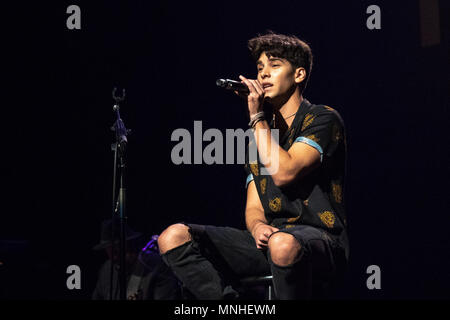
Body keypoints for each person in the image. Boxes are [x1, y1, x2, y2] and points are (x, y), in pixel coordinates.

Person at [158, 31, 349, 300]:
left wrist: (258, 117)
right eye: (260, 68)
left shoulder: (323, 118)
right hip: (272, 240)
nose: (263, 75)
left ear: (299, 75)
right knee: (172, 237)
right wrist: (258, 226)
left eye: (274, 65)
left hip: (320, 240)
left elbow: (285, 173)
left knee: (282, 245)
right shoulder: (257, 138)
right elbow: (254, 207)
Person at [92, 218, 180, 300]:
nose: (114, 256)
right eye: (110, 250)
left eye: (118, 249)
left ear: (131, 244)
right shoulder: (106, 269)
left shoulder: (157, 266)